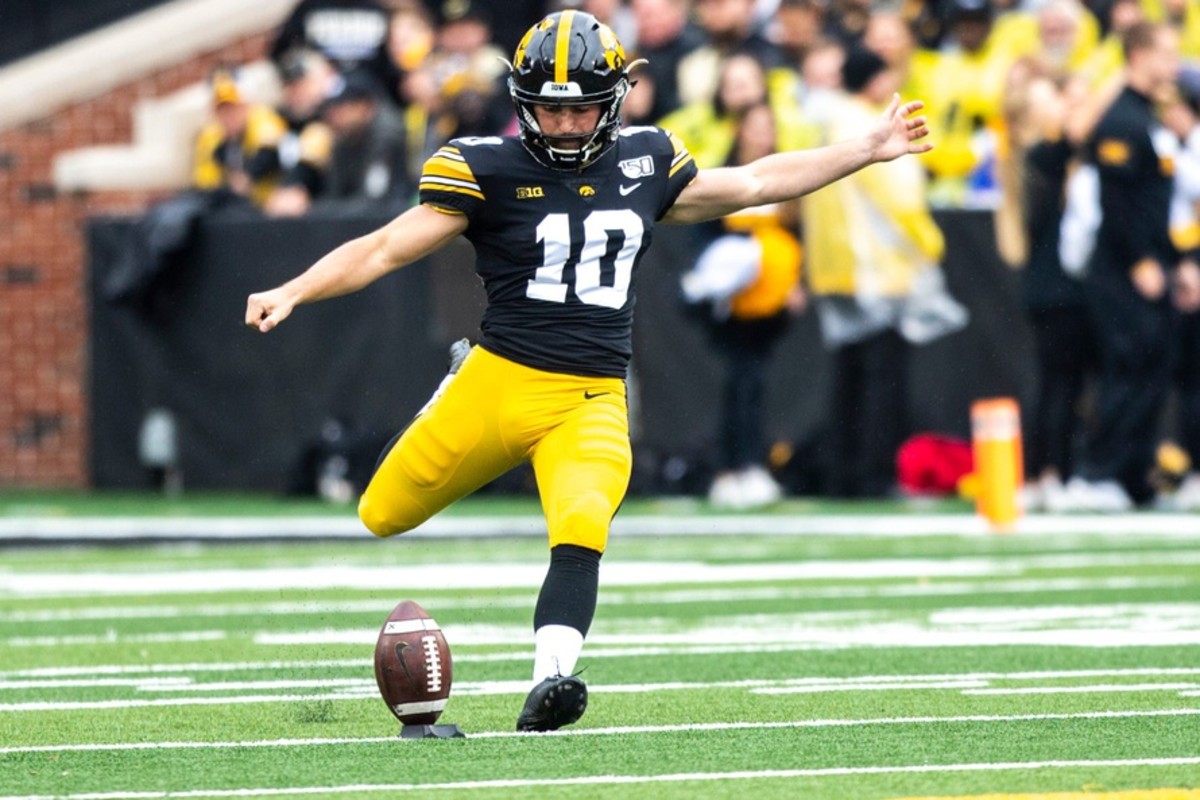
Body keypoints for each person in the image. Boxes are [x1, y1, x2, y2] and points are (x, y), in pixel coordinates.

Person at [245, 10, 931, 732]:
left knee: (581, 527)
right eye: (550, 108)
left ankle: (552, 680)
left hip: (590, 396)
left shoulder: (645, 160)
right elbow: (385, 248)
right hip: (497, 381)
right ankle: (449, 384)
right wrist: (295, 288)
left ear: (613, 101)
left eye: (580, 110)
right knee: (381, 515)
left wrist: (866, 147)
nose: (567, 125)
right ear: (521, 100)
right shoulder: (487, 166)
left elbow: (757, 181)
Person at [801, 46, 967, 498]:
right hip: (877, 270)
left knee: (847, 378)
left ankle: (843, 474)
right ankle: (872, 474)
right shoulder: (865, 126)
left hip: (835, 268)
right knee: (882, 380)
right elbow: (899, 197)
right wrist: (931, 245)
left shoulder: (823, 122)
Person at [1069, 22, 1200, 509]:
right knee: (1125, 368)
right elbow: (1117, 202)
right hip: (1122, 269)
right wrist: (1140, 260)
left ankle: (1134, 477)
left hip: (1155, 262)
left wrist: (1182, 260)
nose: (1174, 65)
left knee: (1154, 366)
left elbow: (1161, 203)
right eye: (1166, 54)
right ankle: (1096, 473)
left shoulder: (1150, 116)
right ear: (1138, 55)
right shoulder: (1121, 117)